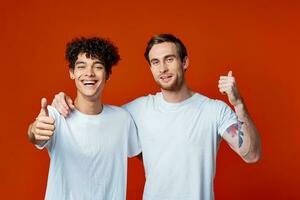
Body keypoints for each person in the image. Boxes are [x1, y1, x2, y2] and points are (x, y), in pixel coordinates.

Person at [51, 34, 261, 200]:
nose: (163, 68)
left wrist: (238, 103)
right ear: (150, 67)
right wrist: (63, 100)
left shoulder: (214, 110)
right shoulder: (137, 110)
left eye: (169, 59)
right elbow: (96, 117)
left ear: (184, 62)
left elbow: (251, 155)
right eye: (155, 62)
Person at [27, 37, 141, 200]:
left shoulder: (122, 120)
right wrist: (35, 130)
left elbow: (149, 156)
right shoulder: (56, 116)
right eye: (81, 66)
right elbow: (34, 134)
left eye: (98, 66)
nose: (89, 73)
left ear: (108, 74)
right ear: (72, 72)